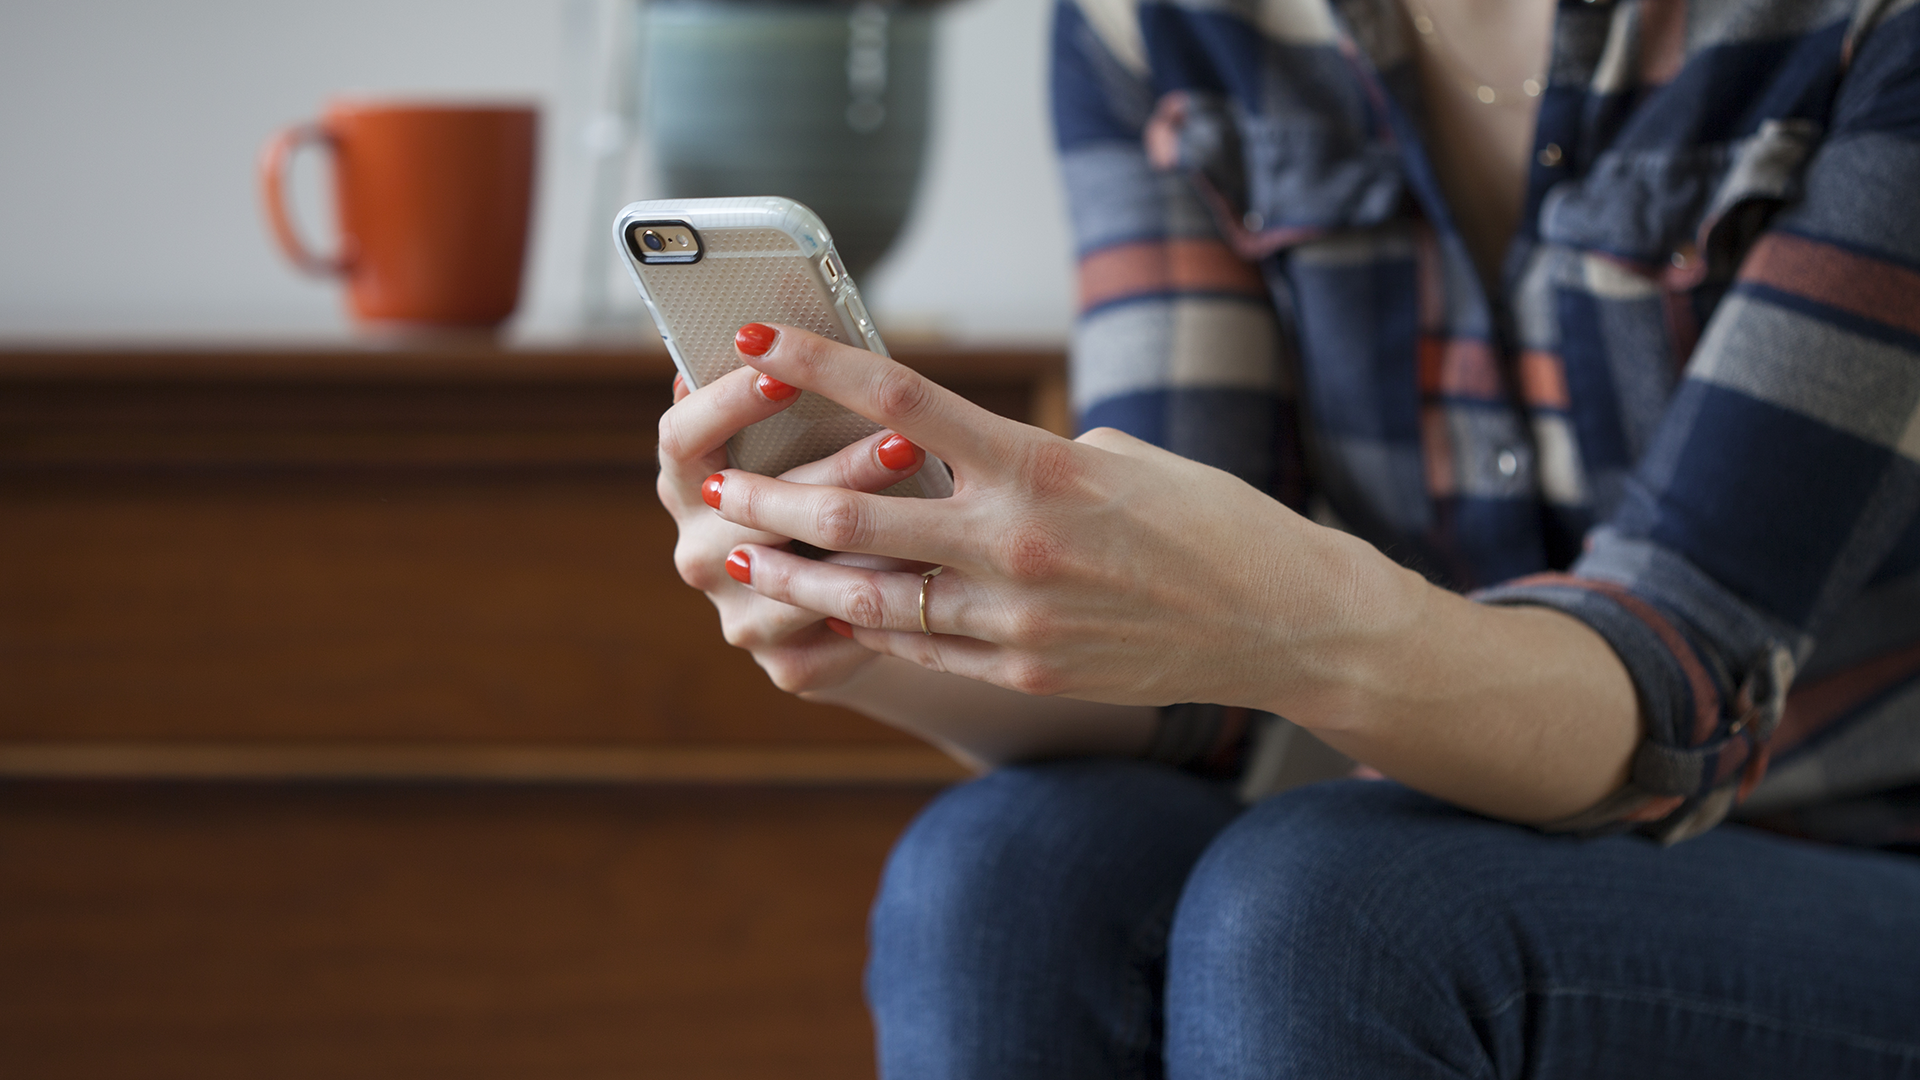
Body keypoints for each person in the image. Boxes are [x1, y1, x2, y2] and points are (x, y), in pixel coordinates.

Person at [656, 0, 1920, 1073]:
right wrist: (872, 613)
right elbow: (1189, 689)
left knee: (1328, 912)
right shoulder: (1164, 24)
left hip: (1860, 849)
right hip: (1449, 799)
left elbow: (1680, 689)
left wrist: (1287, 616)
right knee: (996, 878)